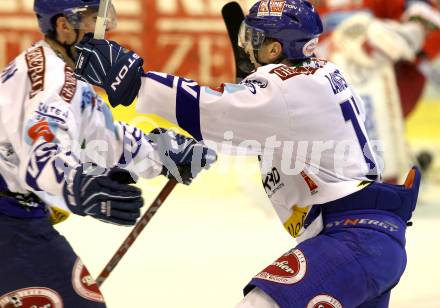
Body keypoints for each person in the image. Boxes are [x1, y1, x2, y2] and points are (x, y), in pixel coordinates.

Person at [74, 0, 422, 307]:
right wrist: (190, 147)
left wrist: (135, 81)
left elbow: (213, 111)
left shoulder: (288, 90)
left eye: (253, 39)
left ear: (274, 49)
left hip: (352, 241)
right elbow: (251, 130)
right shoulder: (321, 74)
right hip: (368, 240)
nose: (247, 46)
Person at [0, 0, 216, 307]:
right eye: (93, 19)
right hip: (11, 223)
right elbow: (41, 160)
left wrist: (159, 153)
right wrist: (80, 188)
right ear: (64, 27)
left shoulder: (56, 68)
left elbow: (101, 134)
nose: (106, 27)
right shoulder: (53, 82)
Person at [311, 0, 440, 181]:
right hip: (322, 100)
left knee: (362, 64)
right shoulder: (303, 9)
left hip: (382, 82)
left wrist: (410, 32)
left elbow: (426, 16)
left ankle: (379, 170)